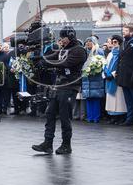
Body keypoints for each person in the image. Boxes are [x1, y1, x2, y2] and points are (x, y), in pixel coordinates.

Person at [32, 26, 87, 154]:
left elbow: (65, 63)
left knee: (64, 116)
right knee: (50, 114)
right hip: (58, 86)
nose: (62, 40)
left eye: (64, 38)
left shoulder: (79, 50)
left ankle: (66, 144)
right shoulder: (63, 49)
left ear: (71, 36)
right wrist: (40, 59)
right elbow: (52, 56)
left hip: (69, 86)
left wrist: (47, 62)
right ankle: (47, 143)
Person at [81, 36, 105, 123]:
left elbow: (102, 63)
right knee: (88, 98)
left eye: (90, 41)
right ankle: (90, 117)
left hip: (96, 78)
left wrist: (95, 68)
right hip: (86, 78)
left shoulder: (99, 51)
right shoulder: (84, 52)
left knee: (96, 98)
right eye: (86, 42)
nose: (88, 43)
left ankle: (96, 117)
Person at [103, 35, 127, 123]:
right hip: (109, 78)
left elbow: (119, 66)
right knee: (110, 99)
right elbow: (105, 64)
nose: (114, 44)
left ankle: (120, 116)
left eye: (115, 42)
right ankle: (112, 116)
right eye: (112, 42)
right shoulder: (110, 53)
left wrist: (113, 74)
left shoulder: (121, 52)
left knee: (119, 99)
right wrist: (106, 73)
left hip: (116, 78)